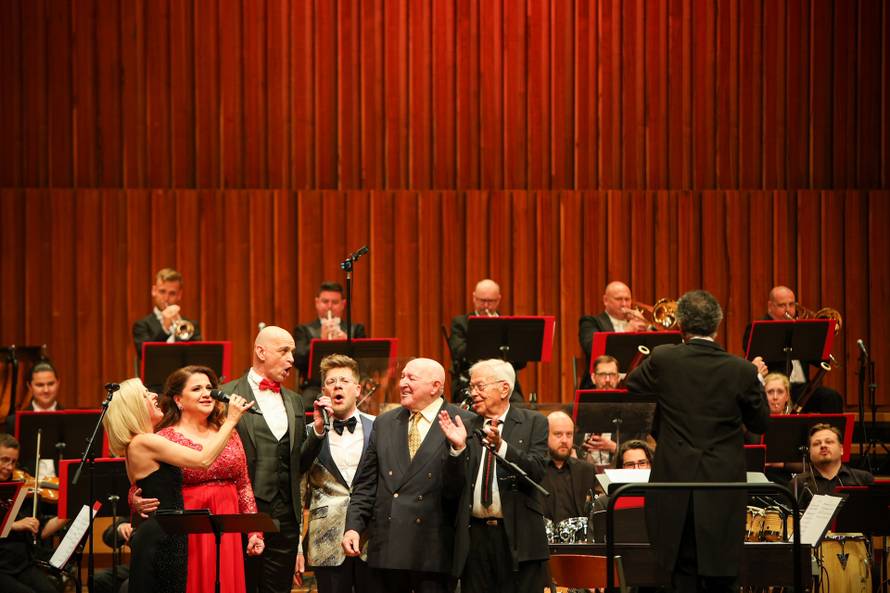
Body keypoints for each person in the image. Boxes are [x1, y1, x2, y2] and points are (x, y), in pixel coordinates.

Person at [625, 289, 769, 593]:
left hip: (675, 484)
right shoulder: (742, 370)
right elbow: (760, 422)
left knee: (682, 575)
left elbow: (633, 384)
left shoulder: (665, 358)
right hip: (723, 487)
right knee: (723, 575)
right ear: (717, 325)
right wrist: (756, 380)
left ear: (680, 325)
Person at [102, 378, 253, 593]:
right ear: (134, 407)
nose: (154, 395)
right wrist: (231, 421)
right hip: (162, 535)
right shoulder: (145, 442)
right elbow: (203, 460)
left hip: (163, 532)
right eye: (145, 394)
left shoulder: (136, 443)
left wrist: (135, 499)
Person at [342, 358, 472, 593]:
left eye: (411, 378)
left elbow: (460, 492)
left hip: (434, 551)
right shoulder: (385, 423)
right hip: (389, 548)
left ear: (435, 386)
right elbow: (366, 484)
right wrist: (353, 526)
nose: (402, 383)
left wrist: (458, 450)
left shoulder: (463, 422)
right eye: (402, 377)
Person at [221, 326, 329, 593]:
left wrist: (315, 432)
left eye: (292, 351)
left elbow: (297, 464)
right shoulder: (226, 394)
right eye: (284, 351)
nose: (292, 359)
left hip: (286, 517)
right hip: (242, 513)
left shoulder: (293, 400)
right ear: (260, 351)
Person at [438, 359, 549, 593]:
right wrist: (456, 449)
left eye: (480, 386)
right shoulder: (464, 425)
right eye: (471, 387)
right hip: (474, 539)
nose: (473, 393)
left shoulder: (533, 422)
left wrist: (502, 447)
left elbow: (536, 471)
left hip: (518, 537)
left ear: (504, 389)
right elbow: (450, 489)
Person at [155, 366, 265, 593]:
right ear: (178, 400)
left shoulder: (228, 431)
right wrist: (135, 499)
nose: (207, 393)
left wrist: (254, 531)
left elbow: (243, 484)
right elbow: (143, 484)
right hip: (190, 524)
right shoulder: (164, 437)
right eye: (196, 389)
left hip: (228, 521)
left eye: (209, 388)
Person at [297, 354, 375, 593]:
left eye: (344, 380)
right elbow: (299, 493)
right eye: (331, 382)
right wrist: (297, 549)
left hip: (372, 538)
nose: (337, 386)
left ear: (358, 389)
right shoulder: (309, 433)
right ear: (323, 391)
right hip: (326, 539)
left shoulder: (380, 426)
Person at [741, 285, 843, 412]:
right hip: (774, 386)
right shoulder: (757, 328)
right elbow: (752, 357)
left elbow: (820, 361)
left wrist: (821, 336)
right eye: (782, 305)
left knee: (831, 397)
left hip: (800, 389)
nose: (788, 310)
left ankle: (829, 432)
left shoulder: (801, 328)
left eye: (791, 304)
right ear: (770, 306)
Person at [447, 279, 526, 402]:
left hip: (504, 382)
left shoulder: (508, 325)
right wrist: (485, 335)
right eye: (482, 300)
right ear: (474, 298)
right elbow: (459, 352)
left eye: (491, 301)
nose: (486, 306)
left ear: (498, 299)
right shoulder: (461, 323)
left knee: (519, 408)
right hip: (470, 382)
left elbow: (520, 362)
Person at [294, 281, 368, 407]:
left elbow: (366, 361)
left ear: (343, 304)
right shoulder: (303, 330)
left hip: (349, 385)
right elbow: (298, 360)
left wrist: (348, 343)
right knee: (306, 404)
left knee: (365, 402)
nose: (329, 306)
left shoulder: (355, 330)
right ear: (317, 302)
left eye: (334, 302)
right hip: (315, 387)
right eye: (325, 302)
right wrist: (319, 341)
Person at [0, 433, 58, 593]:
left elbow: (38, 532)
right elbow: (15, 525)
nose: (10, 467)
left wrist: (63, 516)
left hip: (21, 564)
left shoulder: (22, 488)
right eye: (4, 460)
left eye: (13, 462)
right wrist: (13, 525)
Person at [578, 281, 648, 389]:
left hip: (635, 385)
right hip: (601, 385)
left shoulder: (638, 323)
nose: (624, 304)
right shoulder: (590, 322)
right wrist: (626, 332)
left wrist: (648, 330)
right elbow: (591, 348)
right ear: (605, 300)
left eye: (627, 299)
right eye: (619, 299)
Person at [132, 268, 202, 371]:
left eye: (172, 293)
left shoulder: (191, 325)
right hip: (155, 384)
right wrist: (164, 328)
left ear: (179, 295)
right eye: (162, 291)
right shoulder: (142, 325)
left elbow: (199, 356)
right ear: (154, 291)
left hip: (185, 380)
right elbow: (145, 356)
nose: (166, 298)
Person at [790, 424, 874, 509]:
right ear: (810, 452)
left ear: (841, 449)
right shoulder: (797, 483)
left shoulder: (863, 478)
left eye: (829, 442)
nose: (823, 446)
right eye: (816, 444)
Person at [5, 361, 63, 479]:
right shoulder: (14, 421)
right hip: (27, 490)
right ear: (29, 386)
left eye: (50, 384)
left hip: (62, 488)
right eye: (40, 385)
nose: (46, 390)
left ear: (58, 383)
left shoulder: (72, 420)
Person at [540, 411, 596, 523]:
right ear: (545, 435)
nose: (565, 440)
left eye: (569, 434)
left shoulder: (586, 470)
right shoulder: (535, 468)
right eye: (558, 434)